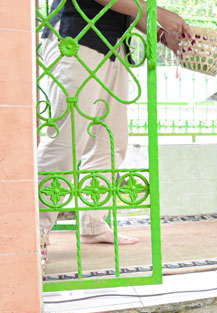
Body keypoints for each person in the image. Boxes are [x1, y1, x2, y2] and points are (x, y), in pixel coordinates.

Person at [38, 0, 190, 266]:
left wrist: (163, 36)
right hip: (75, 40)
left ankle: (93, 223)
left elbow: (134, 8)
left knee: (109, 141)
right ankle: (33, 231)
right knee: (65, 140)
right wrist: (159, 13)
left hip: (112, 47)